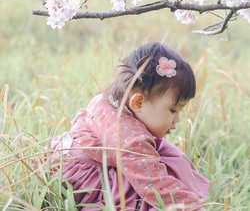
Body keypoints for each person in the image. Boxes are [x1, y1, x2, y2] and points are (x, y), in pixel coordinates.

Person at [47, 42, 210, 210]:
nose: (177, 119)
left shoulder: (106, 100)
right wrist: (192, 207)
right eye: (173, 110)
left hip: (67, 161)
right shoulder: (132, 140)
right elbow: (154, 185)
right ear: (138, 102)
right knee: (140, 198)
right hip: (85, 183)